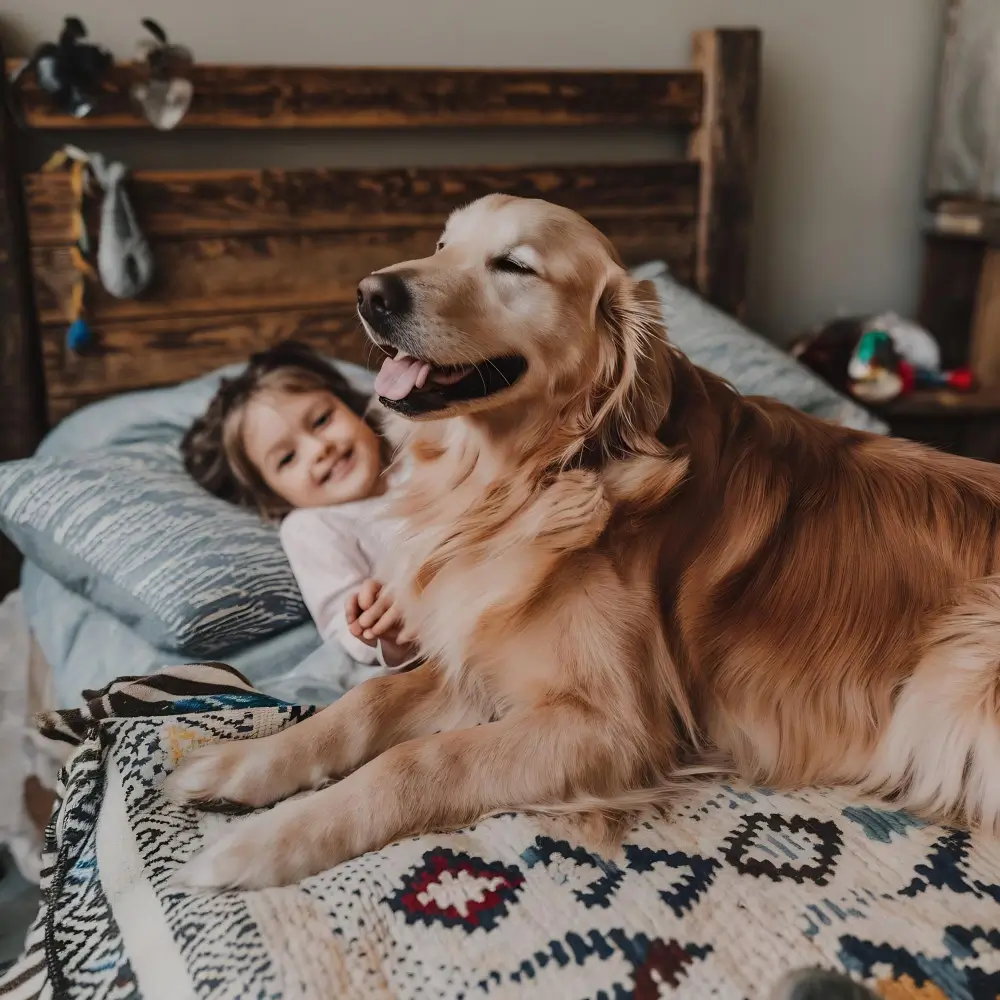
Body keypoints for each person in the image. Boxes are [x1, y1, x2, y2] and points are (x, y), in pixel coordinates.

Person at [181, 340, 416, 669]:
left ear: (350, 405)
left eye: (321, 420)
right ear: (272, 495)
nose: (320, 448)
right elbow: (341, 623)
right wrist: (385, 636)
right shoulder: (313, 526)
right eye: (288, 458)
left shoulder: (413, 444)